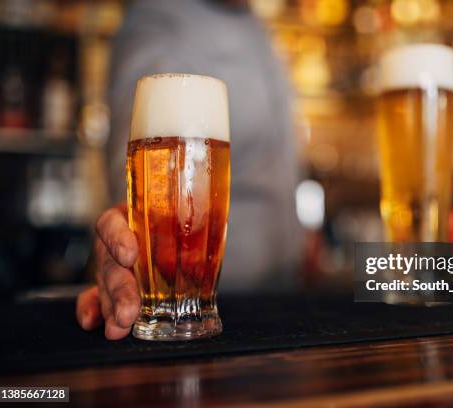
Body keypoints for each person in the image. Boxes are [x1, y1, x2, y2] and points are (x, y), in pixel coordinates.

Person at [76, 0, 302, 340]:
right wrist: (125, 254)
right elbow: (143, 188)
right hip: (217, 314)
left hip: (289, 298)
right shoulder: (156, 21)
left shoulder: (253, 23)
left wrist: (303, 238)